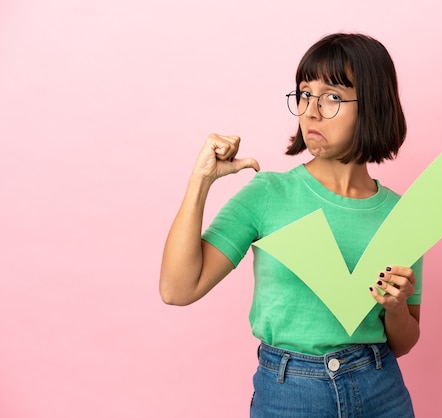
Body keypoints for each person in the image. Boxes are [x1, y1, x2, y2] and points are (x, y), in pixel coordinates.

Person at [160, 32, 423, 418]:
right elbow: (177, 289)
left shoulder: (402, 215)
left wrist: (396, 308)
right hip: (289, 395)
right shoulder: (269, 195)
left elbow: (403, 341)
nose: (310, 111)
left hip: (381, 391)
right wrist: (200, 180)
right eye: (303, 94)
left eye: (332, 96)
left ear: (372, 105)